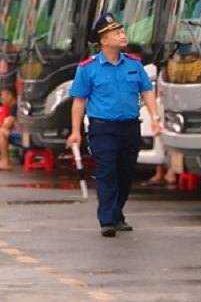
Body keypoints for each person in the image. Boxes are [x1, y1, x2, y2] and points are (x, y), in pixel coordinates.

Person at [67, 13, 161, 238]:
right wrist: (75, 132)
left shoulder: (134, 64)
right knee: (107, 172)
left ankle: (117, 213)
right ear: (103, 40)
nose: (122, 35)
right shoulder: (87, 68)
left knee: (125, 174)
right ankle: (107, 219)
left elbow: (146, 91)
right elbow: (79, 101)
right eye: (116, 33)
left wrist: (155, 119)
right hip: (103, 129)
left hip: (130, 127)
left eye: (122, 31)